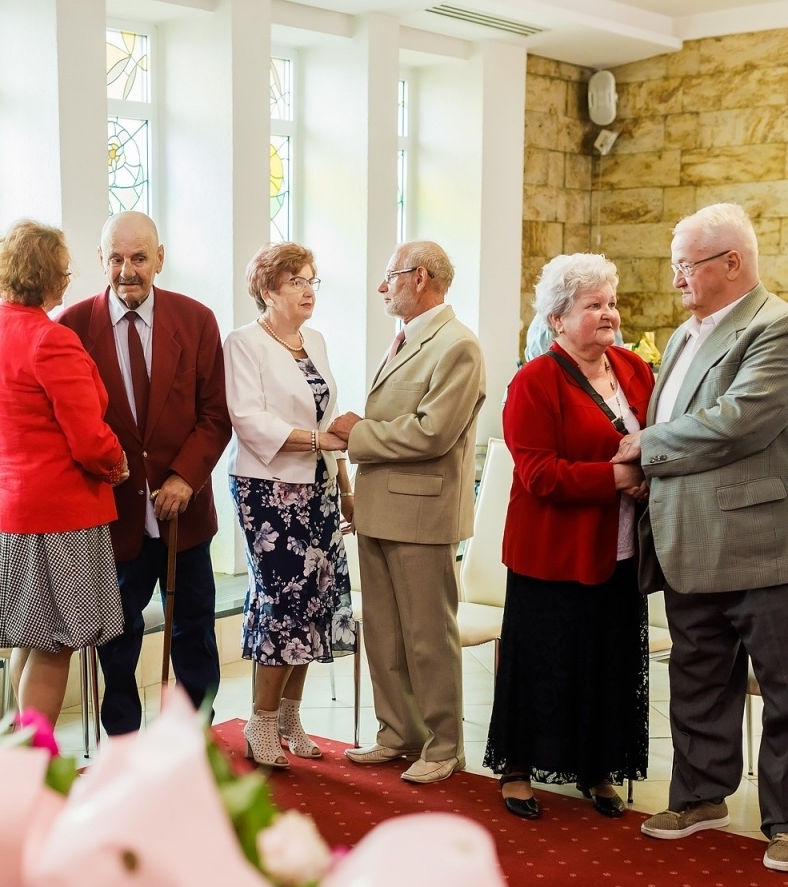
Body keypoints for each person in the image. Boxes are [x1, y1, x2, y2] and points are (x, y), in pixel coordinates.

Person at [614, 202, 788, 873]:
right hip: (690, 538)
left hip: (771, 544)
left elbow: (738, 422)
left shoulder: (781, 327)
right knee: (699, 677)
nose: (676, 278)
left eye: (686, 265)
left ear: (731, 263)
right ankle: (701, 795)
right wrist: (647, 474)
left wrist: (643, 448)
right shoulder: (684, 336)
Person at [486, 253, 653, 819]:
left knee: (606, 663)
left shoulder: (633, 369)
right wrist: (619, 477)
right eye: (593, 305)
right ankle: (516, 770)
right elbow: (539, 474)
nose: (608, 313)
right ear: (557, 320)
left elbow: (655, 438)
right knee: (542, 665)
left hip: (620, 549)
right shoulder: (534, 381)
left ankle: (597, 767)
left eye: (611, 302)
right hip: (552, 551)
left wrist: (649, 470)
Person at [57, 212, 231, 733]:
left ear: (160, 257)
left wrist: (183, 477)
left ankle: (193, 736)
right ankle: (125, 745)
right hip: (111, 517)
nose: (127, 270)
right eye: (116, 259)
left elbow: (214, 414)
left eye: (138, 257)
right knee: (117, 637)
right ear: (101, 261)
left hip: (185, 514)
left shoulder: (196, 321)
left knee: (194, 633)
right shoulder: (71, 327)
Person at [330, 241, 486, 786]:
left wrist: (359, 434)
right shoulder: (407, 340)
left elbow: (433, 432)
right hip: (380, 509)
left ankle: (444, 744)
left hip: (422, 514)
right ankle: (398, 731)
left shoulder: (457, 345)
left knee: (426, 635)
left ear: (420, 278)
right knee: (385, 635)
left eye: (390, 276)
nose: (382, 287)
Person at [0, 220, 130, 724]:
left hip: (7, 510)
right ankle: (37, 762)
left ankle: (23, 750)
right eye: (63, 269)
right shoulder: (49, 340)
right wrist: (115, 462)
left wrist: (9, 473)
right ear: (49, 276)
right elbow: (88, 436)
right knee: (57, 641)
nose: (67, 278)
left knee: (29, 636)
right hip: (61, 514)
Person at [224, 242, 353, 767]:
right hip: (268, 489)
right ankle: (260, 721)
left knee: (315, 600)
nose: (308, 290)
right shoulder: (244, 343)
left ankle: (291, 717)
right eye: (296, 281)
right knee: (282, 604)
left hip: (319, 485)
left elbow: (333, 416)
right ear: (267, 289)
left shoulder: (315, 341)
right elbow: (249, 420)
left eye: (312, 280)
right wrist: (324, 443)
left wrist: (344, 484)